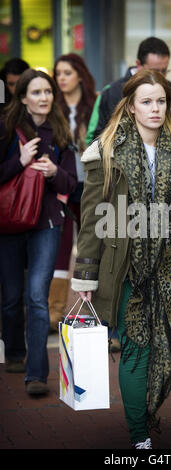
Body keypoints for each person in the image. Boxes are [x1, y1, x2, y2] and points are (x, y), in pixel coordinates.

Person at [71, 69, 171, 449]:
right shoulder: (106, 151)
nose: (155, 109)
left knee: (161, 345)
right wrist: (86, 277)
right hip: (125, 266)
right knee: (138, 347)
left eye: (161, 101)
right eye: (147, 101)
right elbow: (92, 218)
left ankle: (145, 414)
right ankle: (139, 433)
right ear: (131, 105)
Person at [0, 69, 77, 394]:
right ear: (21, 98)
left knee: (36, 296)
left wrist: (54, 172)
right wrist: (19, 161)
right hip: (9, 224)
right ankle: (15, 352)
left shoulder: (60, 132)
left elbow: (72, 185)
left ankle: (36, 375)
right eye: (36, 92)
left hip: (47, 223)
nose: (44, 97)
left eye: (47, 92)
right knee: (11, 298)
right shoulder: (5, 131)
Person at [47, 54, 97, 332]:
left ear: (79, 73)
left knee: (93, 247)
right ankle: (55, 312)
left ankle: (96, 308)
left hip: (91, 186)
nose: (61, 78)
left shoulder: (95, 104)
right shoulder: (53, 107)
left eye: (67, 72)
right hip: (63, 187)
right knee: (61, 247)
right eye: (58, 74)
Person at [86, 36, 171, 144]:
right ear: (138, 64)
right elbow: (93, 138)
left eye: (164, 71)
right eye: (155, 71)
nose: (161, 76)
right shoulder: (110, 93)